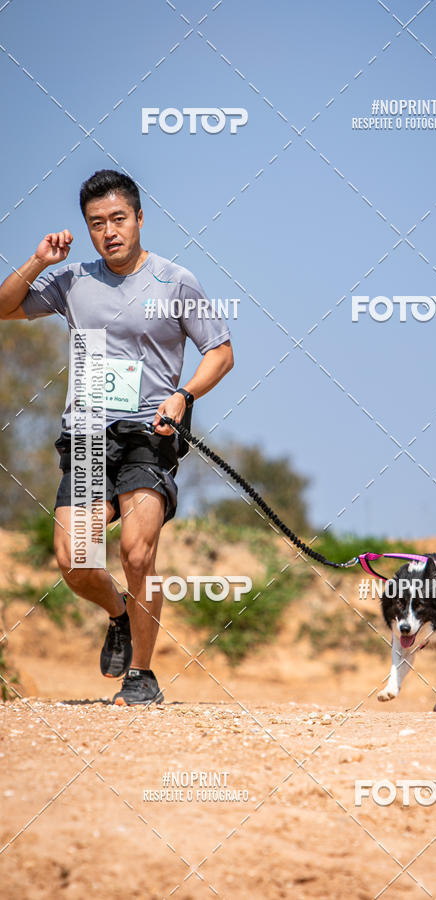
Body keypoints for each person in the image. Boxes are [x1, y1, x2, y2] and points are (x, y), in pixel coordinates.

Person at [0, 169, 234, 706]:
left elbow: (220, 351)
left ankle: (142, 675)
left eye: (118, 219)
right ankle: (119, 614)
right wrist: (39, 261)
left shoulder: (176, 282)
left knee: (136, 549)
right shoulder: (74, 280)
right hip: (84, 437)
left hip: (148, 435)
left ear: (140, 219)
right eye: (96, 223)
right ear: (88, 228)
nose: (109, 231)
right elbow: (5, 307)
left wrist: (183, 397)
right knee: (75, 559)